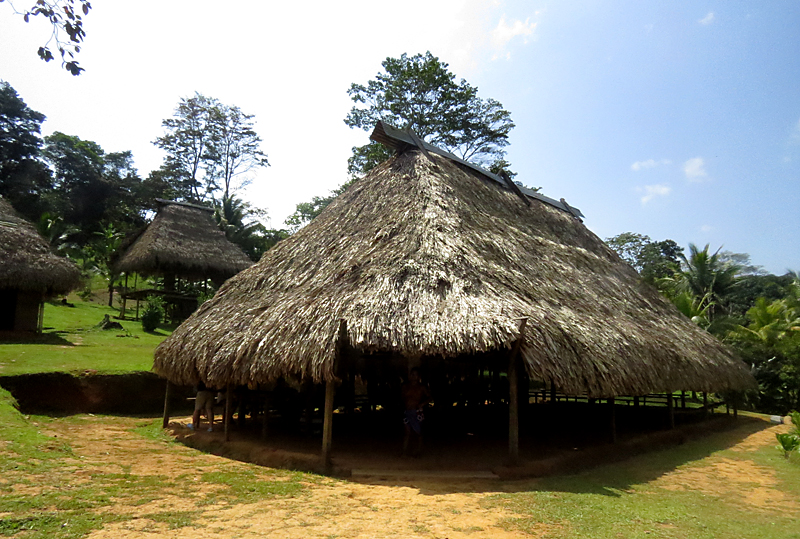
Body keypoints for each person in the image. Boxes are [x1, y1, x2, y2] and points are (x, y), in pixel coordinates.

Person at [401, 367, 430, 456]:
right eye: (411, 374)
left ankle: (418, 451)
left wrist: (422, 404)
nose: (413, 377)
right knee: (407, 432)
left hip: (417, 412)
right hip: (407, 411)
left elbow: (430, 397)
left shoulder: (421, 387)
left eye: (415, 375)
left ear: (418, 376)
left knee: (418, 432)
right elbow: (402, 398)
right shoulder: (405, 386)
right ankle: (404, 451)